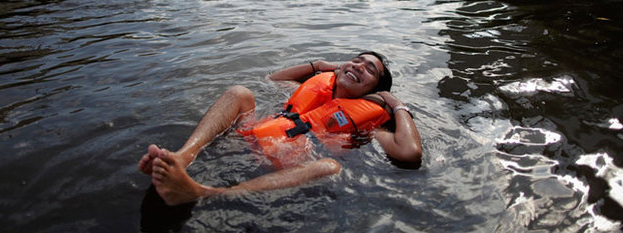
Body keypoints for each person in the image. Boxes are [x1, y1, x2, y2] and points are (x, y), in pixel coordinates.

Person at [137, 52, 422, 206]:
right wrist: (322, 65)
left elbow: (409, 152)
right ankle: (183, 156)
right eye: (356, 60)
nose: (359, 66)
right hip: (251, 137)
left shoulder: (366, 126)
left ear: (374, 91)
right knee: (240, 93)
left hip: (288, 163)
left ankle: (203, 192)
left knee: (331, 166)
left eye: (369, 70)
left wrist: (396, 103)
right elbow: (271, 78)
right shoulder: (316, 88)